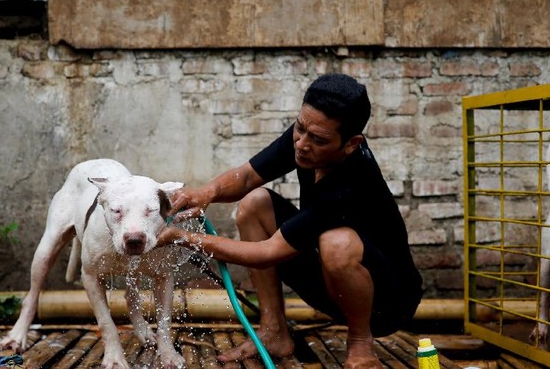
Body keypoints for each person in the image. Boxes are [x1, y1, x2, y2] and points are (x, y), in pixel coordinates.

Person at [160, 73, 423, 368]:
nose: (301, 143)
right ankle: (273, 331)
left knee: (337, 242)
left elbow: (266, 254)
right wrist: (204, 193)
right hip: (329, 282)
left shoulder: (351, 183)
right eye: (300, 128)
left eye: (318, 140)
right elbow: (246, 177)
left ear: (351, 144)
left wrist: (180, 237)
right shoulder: (308, 135)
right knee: (254, 204)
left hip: (386, 304)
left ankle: (361, 343)